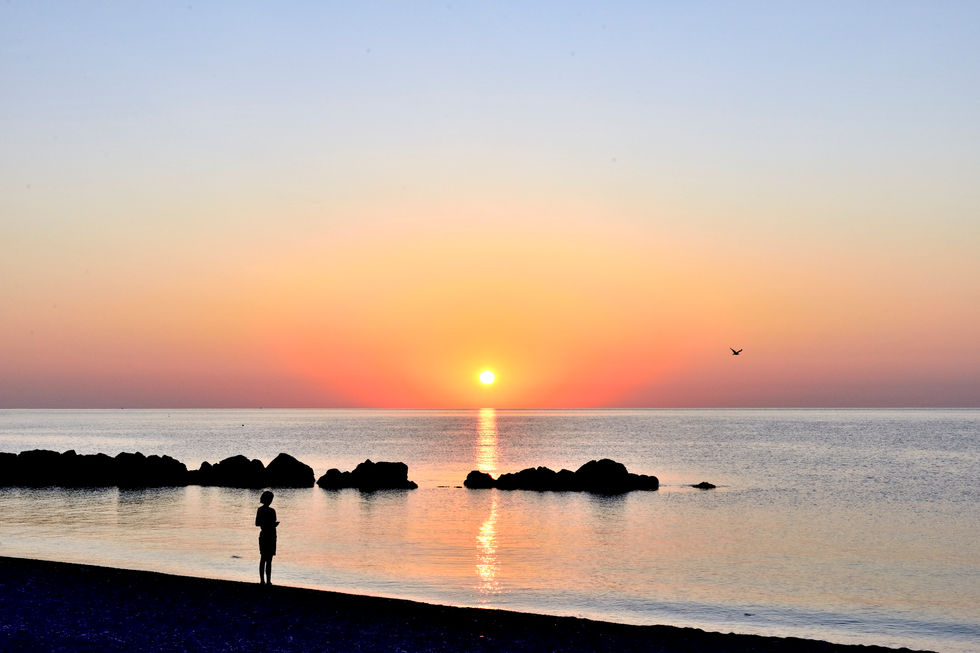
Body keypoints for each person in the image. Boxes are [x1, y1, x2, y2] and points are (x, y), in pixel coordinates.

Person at [255, 490, 279, 585]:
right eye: (271, 499)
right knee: (267, 559)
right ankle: (266, 581)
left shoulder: (261, 510)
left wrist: (269, 524)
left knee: (264, 559)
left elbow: (257, 523)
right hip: (269, 535)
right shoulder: (271, 511)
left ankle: (264, 581)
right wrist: (272, 524)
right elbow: (258, 523)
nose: (271, 501)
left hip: (266, 534)